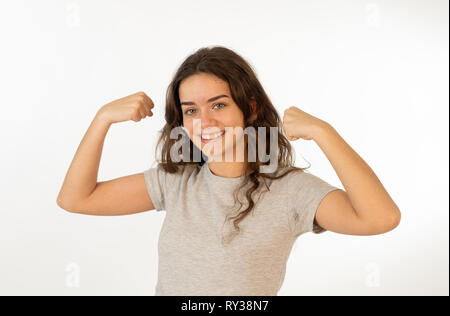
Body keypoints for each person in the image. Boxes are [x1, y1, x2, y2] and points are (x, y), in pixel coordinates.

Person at [56, 46, 401, 296]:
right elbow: (75, 199)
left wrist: (325, 133)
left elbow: (380, 218)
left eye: (218, 105)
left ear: (249, 109)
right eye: (190, 111)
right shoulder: (177, 182)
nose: (203, 122)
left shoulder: (291, 190)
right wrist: (102, 118)